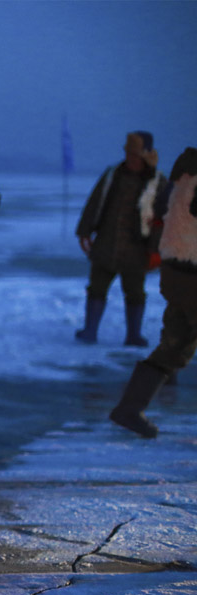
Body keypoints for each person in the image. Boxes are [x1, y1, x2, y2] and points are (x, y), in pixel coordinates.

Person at [110, 147, 197, 438]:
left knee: (175, 344)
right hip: (192, 271)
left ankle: (129, 409)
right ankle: (129, 409)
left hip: (176, 269)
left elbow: (160, 211)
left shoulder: (181, 173)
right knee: (176, 343)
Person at [75, 131, 169, 346]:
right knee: (96, 288)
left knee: (135, 293)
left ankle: (133, 335)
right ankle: (90, 331)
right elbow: (94, 203)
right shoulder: (112, 175)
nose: (130, 157)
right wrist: (84, 231)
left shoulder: (157, 182)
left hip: (137, 251)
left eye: (135, 154)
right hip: (106, 245)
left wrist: (156, 251)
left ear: (146, 155)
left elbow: (163, 220)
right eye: (128, 152)